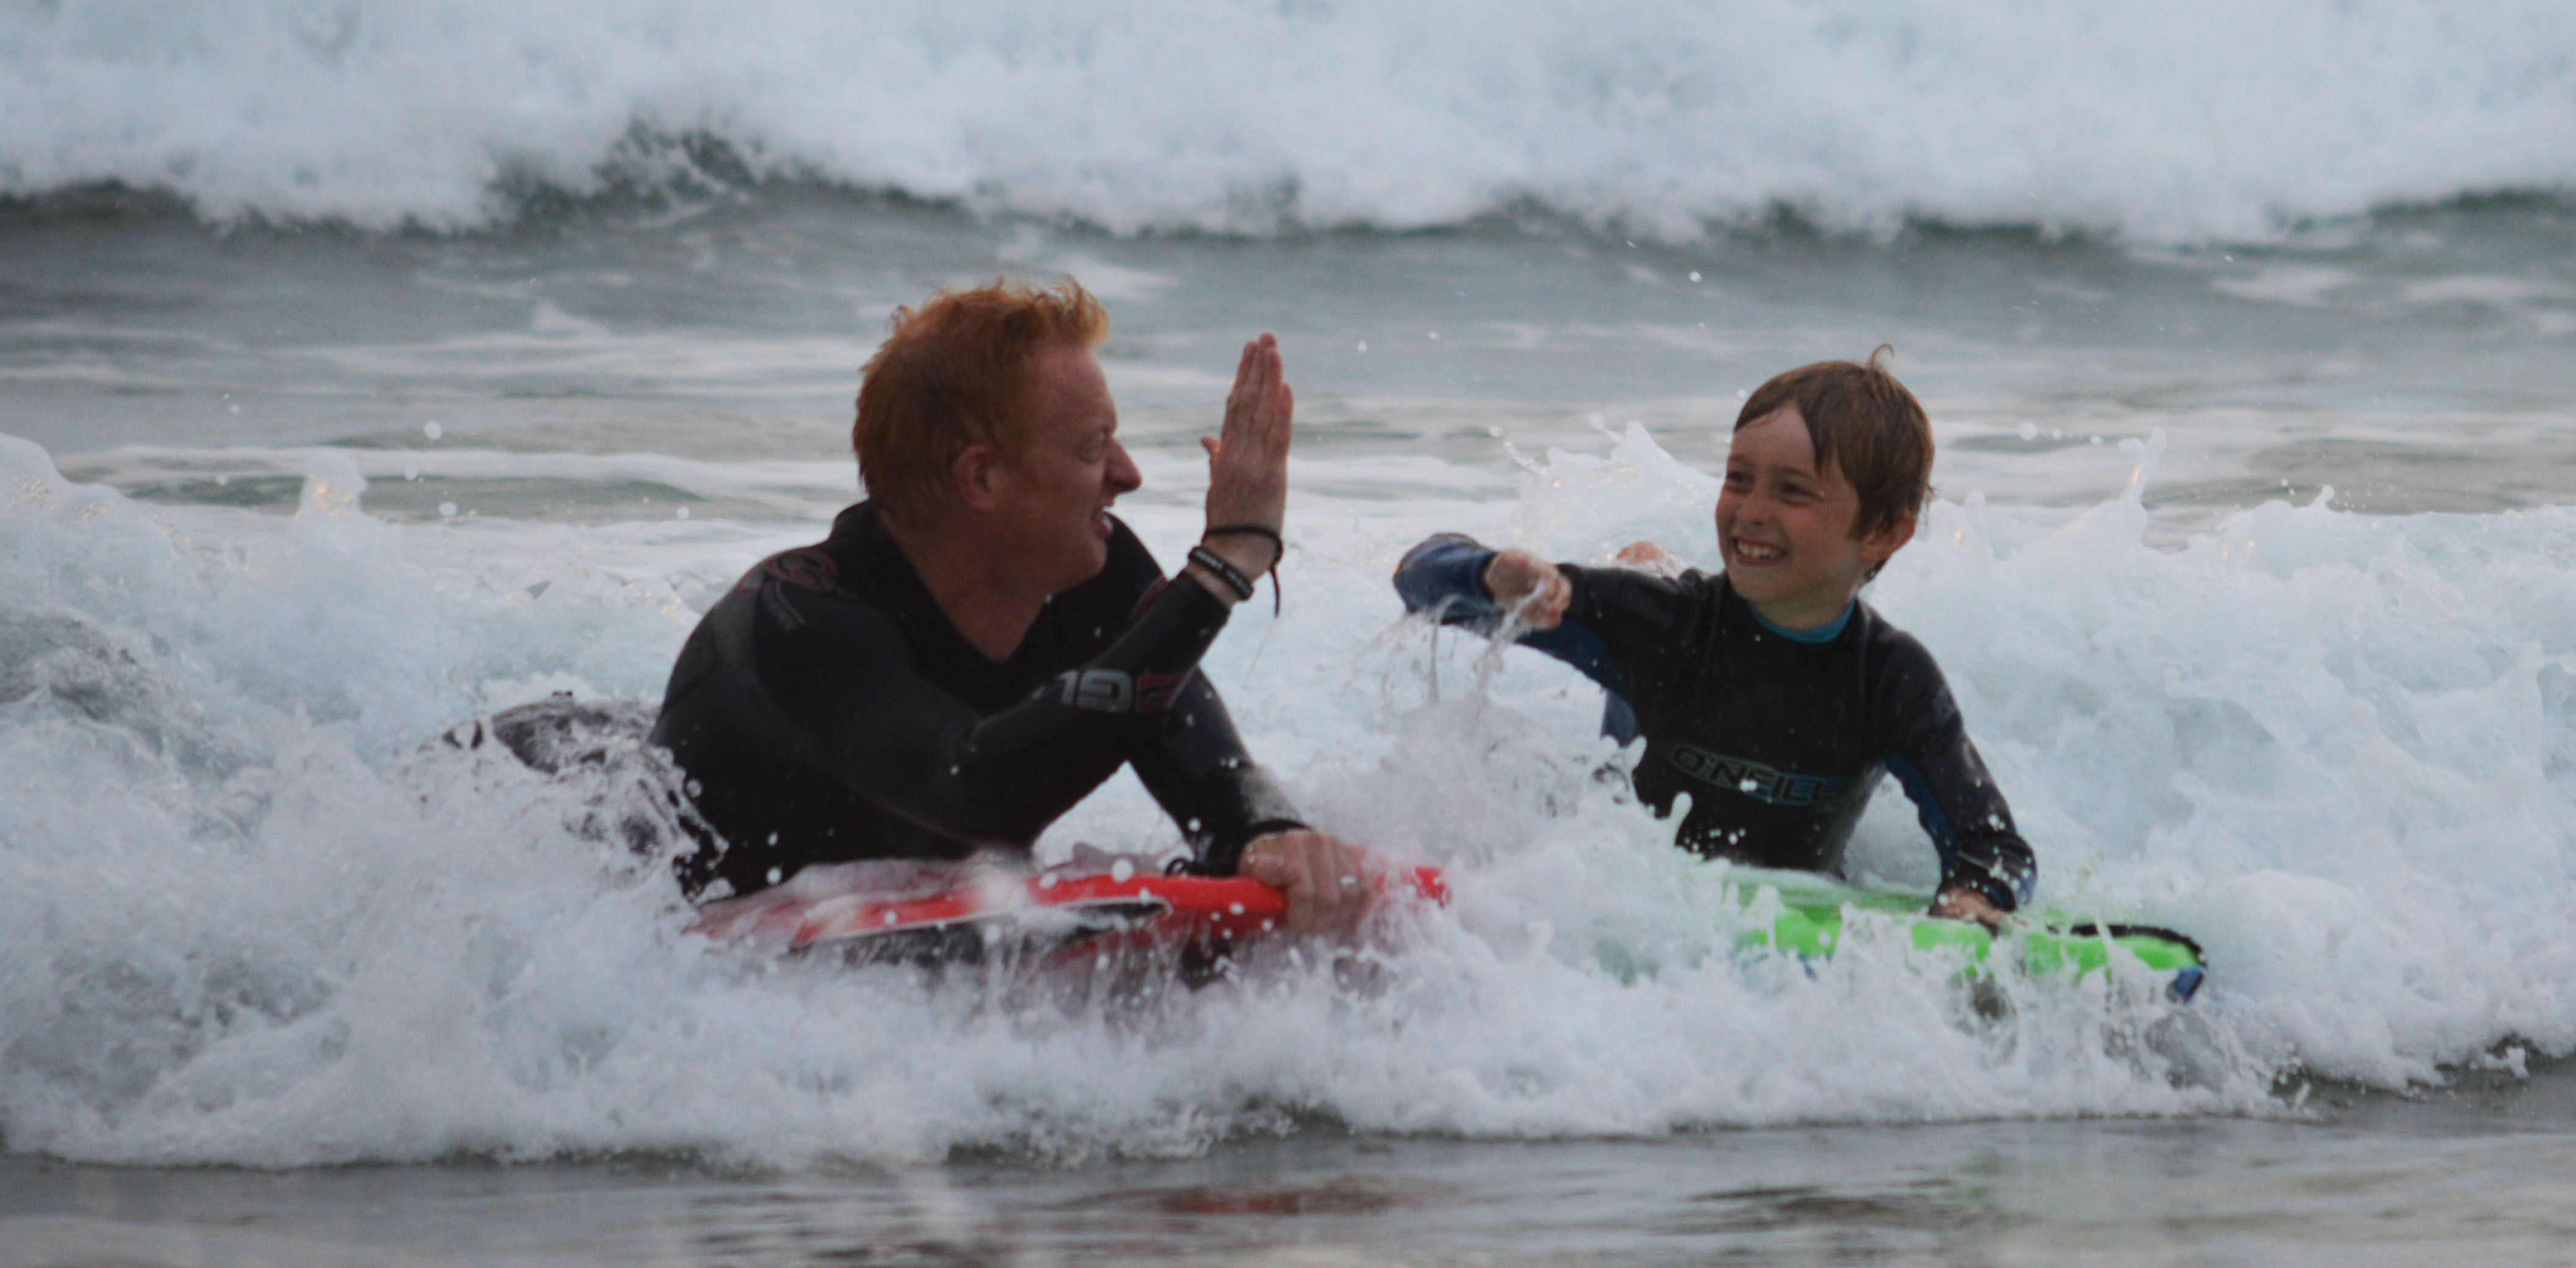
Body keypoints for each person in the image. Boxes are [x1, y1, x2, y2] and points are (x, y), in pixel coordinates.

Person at [650, 280, 1367, 929]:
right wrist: (1220, 571)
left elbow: (1212, 774)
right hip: (616, 842)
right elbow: (980, 795)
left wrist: (1269, 835)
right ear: (983, 477)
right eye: (1093, 449)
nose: (1129, 475)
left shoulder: (1096, 569)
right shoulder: (801, 619)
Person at [1394, 353, 2035, 920]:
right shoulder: (1663, 625)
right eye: (1737, 479)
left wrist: (1974, 896)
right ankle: (1651, 563)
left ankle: (1654, 558)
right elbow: (1418, 578)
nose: (1751, 510)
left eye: (1791, 491)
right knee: (1643, 591)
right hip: (1630, 877)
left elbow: (1993, 845)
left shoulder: (1893, 677)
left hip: (1797, 895)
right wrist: (1490, 573)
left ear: (1883, 534)